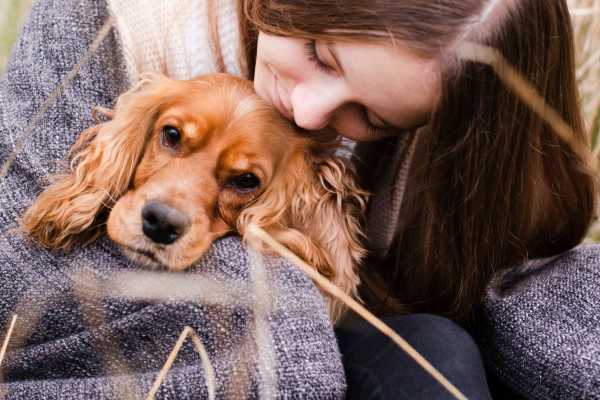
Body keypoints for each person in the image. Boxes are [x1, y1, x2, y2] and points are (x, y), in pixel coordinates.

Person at [0, 0, 595, 398]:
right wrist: (268, 273)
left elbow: (527, 290)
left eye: (372, 117)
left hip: (324, 356)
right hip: (96, 361)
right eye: (318, 53)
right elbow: (18, 259)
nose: (308, 115)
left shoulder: (447, 158)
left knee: (438, 356)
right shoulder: (103, 19)